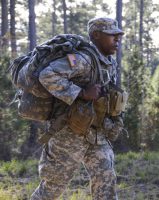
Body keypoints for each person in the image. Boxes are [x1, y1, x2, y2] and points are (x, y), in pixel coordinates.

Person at [30, 17, 124, 200]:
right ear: (96, 35)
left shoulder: (108, 62)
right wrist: (80, 93)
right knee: (52, 188)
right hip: (69, 134)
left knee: (106, 180)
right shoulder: (82, 59)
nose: (117, 39)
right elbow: (47, 75)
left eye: (118, 35)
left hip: (96, 134)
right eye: (112, 35)